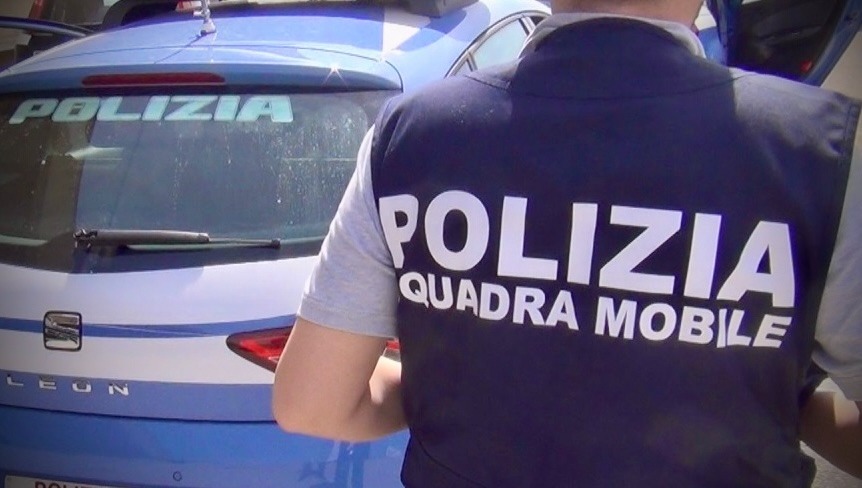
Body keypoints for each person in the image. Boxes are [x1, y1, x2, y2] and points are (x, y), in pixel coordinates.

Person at [272, 0, 862, 486]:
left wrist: (449, 388)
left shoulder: (412, 137)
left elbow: (312, 403)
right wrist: (793, 402)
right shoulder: (817, 153)